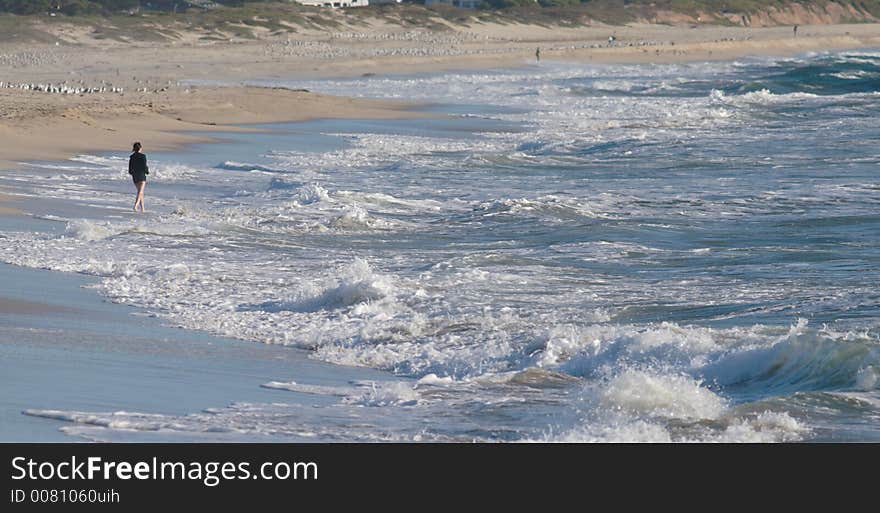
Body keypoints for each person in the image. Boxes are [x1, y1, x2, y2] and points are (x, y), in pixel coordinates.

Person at [128, 141, 149, 213]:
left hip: (135, 176)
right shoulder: (143, 156)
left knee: (141, 192)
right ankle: (136, 205)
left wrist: (132, 173)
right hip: (141, 175)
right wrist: (147, 172)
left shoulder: (132, 156)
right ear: (140, 148)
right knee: (140, 191)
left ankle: (143, 208)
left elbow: (130, 168)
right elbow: (144, 166)